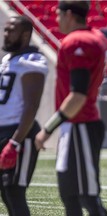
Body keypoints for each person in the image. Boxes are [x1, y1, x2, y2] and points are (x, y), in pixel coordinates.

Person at [34, 1, 107, 216]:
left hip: (81, 123)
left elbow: (77, 96)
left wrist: (47, 129)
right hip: (75, 125)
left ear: (68, 14)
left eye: (58, 15)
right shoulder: (97, 37)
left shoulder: (78, 41)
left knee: (87, 196)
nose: (56, 20)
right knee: (69, 193)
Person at [0, 16, 48, 216]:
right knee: (5, 191)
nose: (6, 34)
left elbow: (32, 105)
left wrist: (15, 142)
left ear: (26, 35)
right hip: (3, 130)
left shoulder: (32, 60)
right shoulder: (8, 58)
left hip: (19, 133)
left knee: (14, 191)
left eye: (11, 30)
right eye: (6, 30)